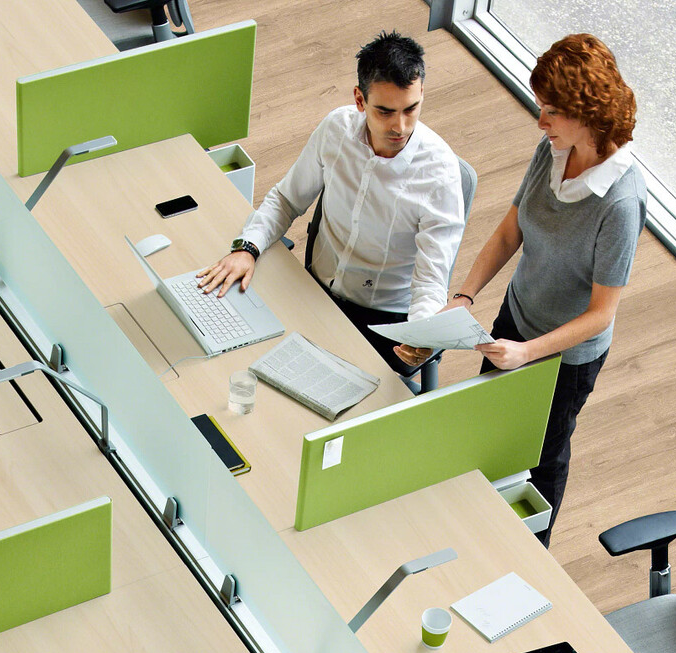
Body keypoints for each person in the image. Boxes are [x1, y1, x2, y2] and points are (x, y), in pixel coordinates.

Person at [436, 33, 644, 546]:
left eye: (551, 111)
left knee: (541, 459)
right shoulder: (552, 151)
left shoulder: (619, 204)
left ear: (586, 111)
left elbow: (601, 314)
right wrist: (464, 296)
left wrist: (527, 352)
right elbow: (512, 230)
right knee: (491, 431)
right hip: (517, 320)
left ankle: (533, 550)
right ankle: (476, 531)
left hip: (563, 359)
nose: (540, 121)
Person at [195, 31, 464, 379]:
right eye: (384, 111)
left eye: (410, 109)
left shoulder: (439, 174)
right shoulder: (335, 129)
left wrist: (421, 332)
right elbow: (287, 199)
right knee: (234, 353)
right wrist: (247, 247)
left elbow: (431, 280)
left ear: (422, 93)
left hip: (384, 323)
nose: (400, 126)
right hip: (313, 291)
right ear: (359, 99)